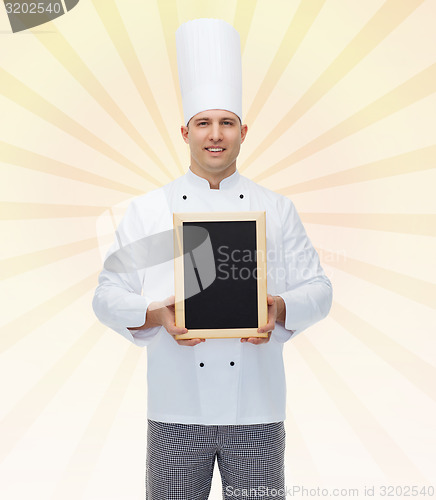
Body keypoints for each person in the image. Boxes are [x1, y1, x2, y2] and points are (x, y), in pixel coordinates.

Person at [93, 18, 332, 500]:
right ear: (185, 131)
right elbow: (106, 295)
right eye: (204, 123)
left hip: (258, 411)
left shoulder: (277, 209)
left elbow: (320, 289)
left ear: (244, 130)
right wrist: (156, 314)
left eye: (226, 123)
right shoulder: (149, 210)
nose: (215, 135)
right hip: (175, 409)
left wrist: (277, 308)